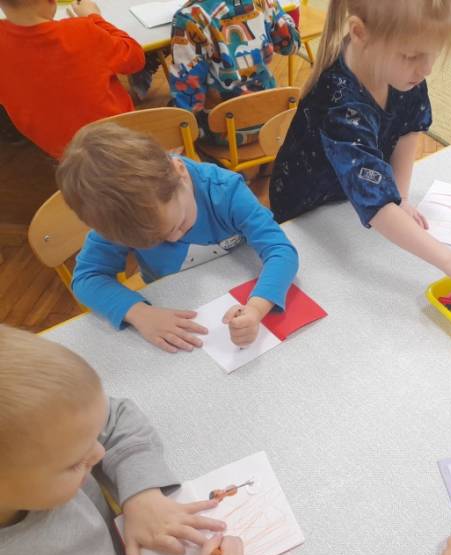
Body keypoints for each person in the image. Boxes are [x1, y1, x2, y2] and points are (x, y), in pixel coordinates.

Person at [0, 325, 247, 555]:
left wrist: (141, 494)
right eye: (74, 463)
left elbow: (115, 418)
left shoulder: (44, 435)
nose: (99, 452)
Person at [268, 0, 451, 291]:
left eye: (432, 54)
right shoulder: (340, 105)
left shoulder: (401, 72)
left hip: (353, 201)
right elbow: (376, 205)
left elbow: (409, 128)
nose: (426, 68)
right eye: (412, 55)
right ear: (360, 33)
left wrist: (400, 197)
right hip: (306, 214)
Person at [57, 124, 299, 351]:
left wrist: (256, 308)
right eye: (155, 241)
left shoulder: (224, 191)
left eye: (179, 224)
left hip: (242, 283)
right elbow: (87, 278)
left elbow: (280, 250)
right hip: (175, 301)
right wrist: (140, 314)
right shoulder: (120, 220)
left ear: (180, 171)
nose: (173, 239)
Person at [0, 0, 144, 158]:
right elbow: (135, 58)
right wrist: (95, 17)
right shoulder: (82, 30)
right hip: (121, 135)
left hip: (63, 150)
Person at [168, 0, 300, 145]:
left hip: (224, 133)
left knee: (174, 112)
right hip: (272, 122)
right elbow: (292, 45)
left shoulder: (188, 18)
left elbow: (189, 99)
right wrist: (279, 14)